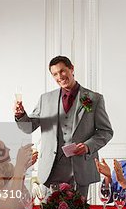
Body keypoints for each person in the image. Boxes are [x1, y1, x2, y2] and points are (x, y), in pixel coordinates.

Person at [14, 55, 113, 198]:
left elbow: (106, 131)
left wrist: (87, 146)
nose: (60, 76)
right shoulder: (45, 99)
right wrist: (20, 114)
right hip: (51, 169)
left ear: (71, 68)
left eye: (62, 71)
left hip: (80, 171)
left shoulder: (94, 98)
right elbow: (28, 127)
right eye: (55, 74)